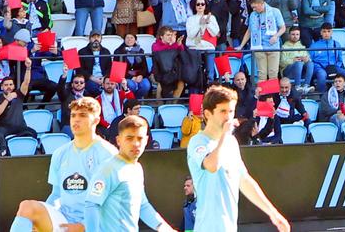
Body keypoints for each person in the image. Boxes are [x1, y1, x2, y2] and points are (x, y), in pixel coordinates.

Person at [189, 86, 289, 232]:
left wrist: (272, 213)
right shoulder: (198, 142)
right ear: (208, 114)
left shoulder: (230, 142)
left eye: (231, 111)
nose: (228, 116)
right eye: (223, 111)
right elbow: (212, 166)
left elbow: (244, 180)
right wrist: (224, 135)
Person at [9, 99, 111, 232]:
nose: (76, 120)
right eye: (73, 115)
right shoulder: (60, 153)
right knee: (27, 207)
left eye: (82, 115)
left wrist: (82, 226)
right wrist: (42, 220)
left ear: (96, 121)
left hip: (96, 224)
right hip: (65, 220)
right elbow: (56, 194)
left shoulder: (107, 154)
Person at [70, 115, 177, 232]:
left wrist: (166, 229)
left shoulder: (137, 168)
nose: (136, 143)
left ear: (146, 141)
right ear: (119, 140)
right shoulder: (108, 169)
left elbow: (143, 206)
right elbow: (91, 205)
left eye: (140, 138)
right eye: (129, 138)